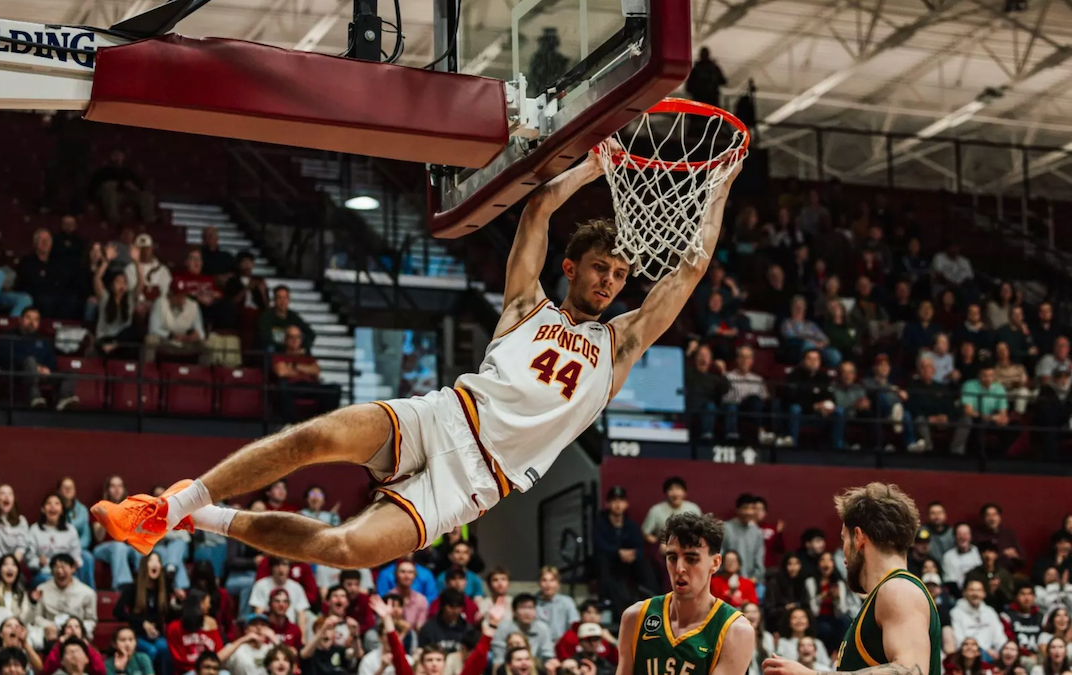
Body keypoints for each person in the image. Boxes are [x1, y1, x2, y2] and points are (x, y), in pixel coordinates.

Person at [93, 149, 741, 567]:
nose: (610, 282)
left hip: (476, 483)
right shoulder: (527, 304)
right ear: (572, 266)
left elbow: (687, 272)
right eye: (601, 267)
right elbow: (540, 207)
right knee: (313, 435)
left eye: (620, 275)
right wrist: (595, 163)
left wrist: (718, 186)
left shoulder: (620, 344)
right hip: (445, 415)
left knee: (347, 548)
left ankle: (201, 514)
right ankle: (167, 507)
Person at [763, 483, 941, 675]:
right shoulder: (885, 594)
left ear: (858, 537)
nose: (844, 553)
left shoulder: (899, 590)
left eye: (843, 540)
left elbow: (911, 672)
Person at [615, 511, 754, 675]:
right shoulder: (635, 617)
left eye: (691, 558)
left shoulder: (735, 630)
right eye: (672, 557)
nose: (680, 568)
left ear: (715, 563)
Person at [0, 308, 79, 410]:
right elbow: (4, 356)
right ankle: (34, 397)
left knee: (70, 373)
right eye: (28, 318)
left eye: (36, 320)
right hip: (18, 372)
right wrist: (35, 367)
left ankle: (64, 399)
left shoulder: (42, 339)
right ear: (20, 320)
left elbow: (51, 358)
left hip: (41, 374)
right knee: (30, 361)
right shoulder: (9, 336)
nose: (32, 322)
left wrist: (47, 368)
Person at [593, 486, 653, 613]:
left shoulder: (631, 525)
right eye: (614, 501)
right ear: (607, 504)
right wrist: (617, 552)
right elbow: (599, 545)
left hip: (628, 562)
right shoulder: (600, 524)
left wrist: (633, 554)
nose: (618, 505)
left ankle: (652, 597)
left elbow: (639, 545)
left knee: (644, 561)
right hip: (610, 562)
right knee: (602, 560)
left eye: (621, 501)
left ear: (626, 504)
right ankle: (607, 599)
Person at [33, 554, 98, 643]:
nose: (60, 571)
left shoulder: (87, 593)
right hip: (50, 634)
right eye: (56, 567)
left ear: (73, 568)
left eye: (63, 567)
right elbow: (37, 616)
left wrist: (76, 629)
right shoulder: (42, 589)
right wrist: (47, 625)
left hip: (77, 636)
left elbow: (91, 620)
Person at [952, 579, 1009, 660]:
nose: (975, 594)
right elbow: (959, 641)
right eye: (972, 590)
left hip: (993, 654)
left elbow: (999, 636)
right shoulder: (956, 613)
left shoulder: (990, 612)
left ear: (984, 594)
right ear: (964, 593)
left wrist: (1004, 650)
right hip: (968, 656)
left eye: (979, 590)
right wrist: (983, 651)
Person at [723, 494, 766, 585]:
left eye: (752, 508)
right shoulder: (726, 529)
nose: (749, 512)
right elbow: (719, 554)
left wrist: (754, 579)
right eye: (745, 508)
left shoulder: (757, 532)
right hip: (726, 581)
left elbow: (759, 560)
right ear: (737, 510)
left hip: (750, 582)